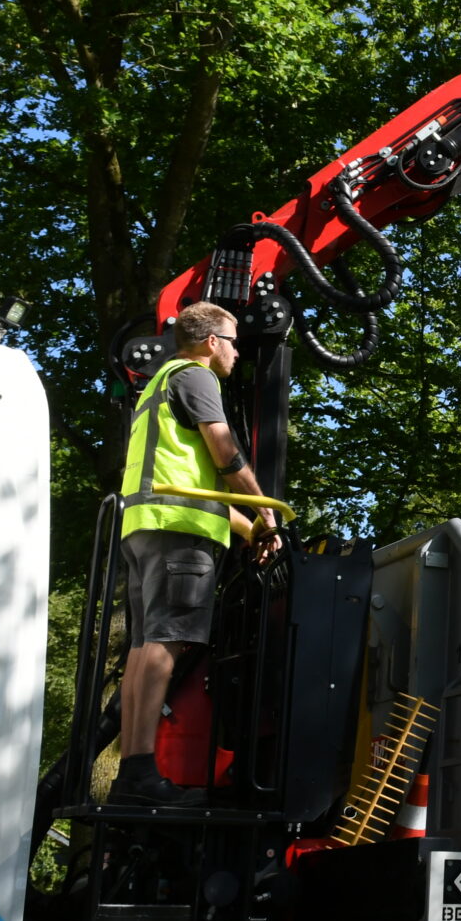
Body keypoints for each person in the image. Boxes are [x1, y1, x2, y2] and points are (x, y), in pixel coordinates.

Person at [112, 302, 275, 806]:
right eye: (233, 340)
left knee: (146, 645)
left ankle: (132, 770)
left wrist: (249, 531)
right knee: (168, 642)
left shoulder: (157, 386)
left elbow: (192, 482)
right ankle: (138, 773)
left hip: (148, 527)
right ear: (211, 341)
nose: (237, 350)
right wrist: (266, 511)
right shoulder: (198, 379)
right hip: (179, 532)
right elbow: (223, 453)